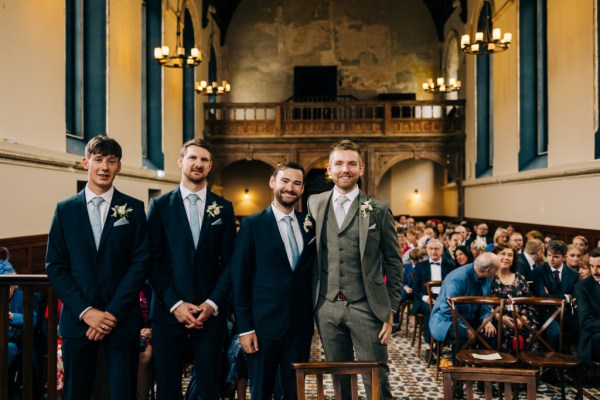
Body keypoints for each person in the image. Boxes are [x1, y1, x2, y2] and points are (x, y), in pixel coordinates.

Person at [46, 136, 150, 400]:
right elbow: (56, 266)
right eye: (98, 159)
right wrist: (86, 312)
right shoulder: (65, 209)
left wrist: (110, 314)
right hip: (77, 322)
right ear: (86, 163)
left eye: (111, 161)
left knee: (122, 392)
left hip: (121, 321)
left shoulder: (134, 209)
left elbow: (140, 264)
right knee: (76, 393)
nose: (104, 166)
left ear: (119, 167)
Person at [306, 140, 402, 400]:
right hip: (326, 306)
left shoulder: (378, 208)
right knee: (340, 376)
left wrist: (391, 309)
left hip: (368, 305)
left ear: (361, 168)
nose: (344, 169)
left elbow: (394, 262)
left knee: (377, 377)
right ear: (329, 168)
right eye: (338, 163)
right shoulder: (314, 203)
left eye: (351, 163)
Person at [147, 138, 236, 400]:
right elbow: (152, 261)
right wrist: (176, 304)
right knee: (167, 387)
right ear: (181, 162)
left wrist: (211, 304)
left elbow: (230, 263)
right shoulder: (160, 206)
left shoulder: (224, 208)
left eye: (204, 160)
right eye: (193, 158)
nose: (198, 164)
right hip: (168, 313)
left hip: (209, 315)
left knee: (209, 387)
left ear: (210, 166)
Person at [231, 162, 316, 400]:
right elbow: (240, 279)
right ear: (273, 182)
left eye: (297, 183)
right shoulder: (252, 225)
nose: (290, 188)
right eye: (285, 181)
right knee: (261, 391)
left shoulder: (309, 225)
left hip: (299, 326)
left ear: (302, 189)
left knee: (294, 392)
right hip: (262, 327)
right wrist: (245, 328)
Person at [429, 253, 499, 357]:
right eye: (496, 270)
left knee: (490, 332)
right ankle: (458, 369)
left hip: (471, 316)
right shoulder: (456, 278)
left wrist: (486, 319)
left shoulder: (487, 277)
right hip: (446, 319)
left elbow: (486, 300)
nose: (497, 273)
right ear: (488, 270)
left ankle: (483, 367)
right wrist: (465, 328)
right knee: (461, 334)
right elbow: (448, 309)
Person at [489, 244, 538, 354]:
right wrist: (500, 318)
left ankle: (526, 369)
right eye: (503, 254)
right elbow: (483, 305)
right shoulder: (489, 278)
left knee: (531, 330)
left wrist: (522, 319)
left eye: (510, 255)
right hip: (497, 319)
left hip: (520, 320)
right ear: (495, 256)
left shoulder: (520, 279)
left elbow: (529, 303)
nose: (506, 257)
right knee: (501, 331)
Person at [531, 240, 580, 351]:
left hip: (567, 313)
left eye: (556, 257)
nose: (551, 259)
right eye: (549, 255)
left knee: (584, 329)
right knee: (555, 333)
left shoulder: (574, 274)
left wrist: (552, 295)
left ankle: (580, 364)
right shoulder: (538, 272)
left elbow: (576, 296)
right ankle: (551, 365)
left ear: (564, 257)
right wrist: (567, 297)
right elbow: (542, 297)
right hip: (546, 313)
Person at [410, 238, 453, 360]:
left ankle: (443, 345)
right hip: (425, 299)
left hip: (444, 298)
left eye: (437, 249)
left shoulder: (450, 266)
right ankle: (429, 348)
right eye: (431, 248)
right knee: (431, 311)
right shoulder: (420, 266)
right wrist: (425, 297)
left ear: (442, 250)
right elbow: (416, 289)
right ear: (427, 250)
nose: (434, 251)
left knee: (453, 312)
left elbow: (452, 287)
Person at [574, 247, 600, 365]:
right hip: (594, 336)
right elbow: (587, 323)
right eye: (591, 266)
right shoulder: (583, 287)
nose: (594, 272)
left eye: (599, 267)